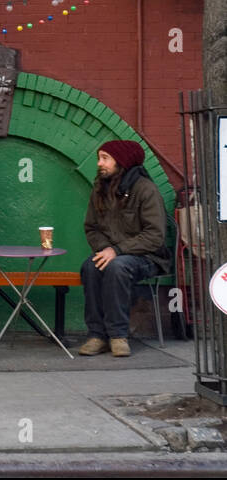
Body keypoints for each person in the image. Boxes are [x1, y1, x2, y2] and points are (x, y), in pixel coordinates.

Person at [78, 140, 168, 357]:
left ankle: (118, 335)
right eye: (99, 158)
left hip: (148, 257)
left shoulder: (146, 189)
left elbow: (155, 236)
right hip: (114, 253)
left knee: (118, 267)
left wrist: (117, 250)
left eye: (105, 158)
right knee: (90, 266)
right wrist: (106, 249)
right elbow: (91, 228)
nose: (100, 163)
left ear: (122, 161)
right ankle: (97, 335)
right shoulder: (100, 189)